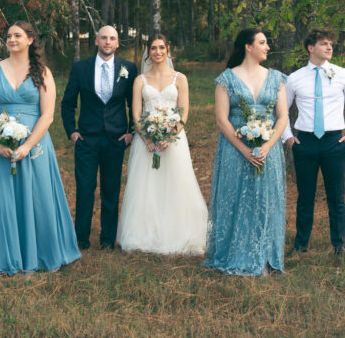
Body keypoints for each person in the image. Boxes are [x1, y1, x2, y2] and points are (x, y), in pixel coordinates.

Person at [0, 22, 81, 274]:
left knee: (38, 197)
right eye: (8, 36)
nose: (11, 40)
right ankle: (6, 254)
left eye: (17, 35)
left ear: (30, 39)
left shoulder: (42, 72)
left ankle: (40, 252)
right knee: (2, 199)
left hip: (35, 145)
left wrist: (27, 146)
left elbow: (47, 115)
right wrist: (0, 142)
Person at [205, 28, 289, 276]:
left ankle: (264, 258)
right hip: (235, 150)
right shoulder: (226, 79)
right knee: (235, 200)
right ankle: (235, 253)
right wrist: (244, 150)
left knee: (265, 201)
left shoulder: (276, 78)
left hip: (267, 151)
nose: (267, 47)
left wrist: (266, 146)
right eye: (262, 43)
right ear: (248, 47)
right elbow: (222, 120)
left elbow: (282, 116)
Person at [116, 34, 208, 255]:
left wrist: (169, 137)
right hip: (145, 142)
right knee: (146, 188)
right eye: (153, 48)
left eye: (161, 47)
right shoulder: (140, 80)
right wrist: (148, 139)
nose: (157, 52)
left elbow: (184, 112)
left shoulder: (180, 78)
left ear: (168, 49)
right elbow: (136, 114)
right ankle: (145, 235)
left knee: (175, 184)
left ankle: (178, 232)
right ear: (148, 52)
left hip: (173, 141)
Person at [281, 29, 345, 256]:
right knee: (305, 196)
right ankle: (300, 245)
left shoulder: (343, 75)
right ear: (311, 48)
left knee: (336, 196)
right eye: (323, 43)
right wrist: (288, 137)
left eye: (330, 44)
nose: (329, 47)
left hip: (333, 141)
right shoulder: (295, 78)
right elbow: (281, 111)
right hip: (304, 142)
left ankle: (340, 245)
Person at [60, 25, 138, 250]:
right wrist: (71, 131)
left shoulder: (128, 68)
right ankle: (81, 239)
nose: (107, 42)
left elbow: (134, 103)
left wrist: (131, 132)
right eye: (103, 38)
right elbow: (68, 103)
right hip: (86, 138)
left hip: (116, 139)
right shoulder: (80, 68)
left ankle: (107, 240)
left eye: (112, 38)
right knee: (85, 189)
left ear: (117, 43)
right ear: (96, 41)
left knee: (111, 190)